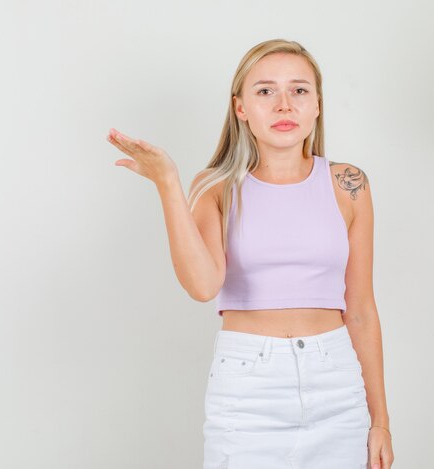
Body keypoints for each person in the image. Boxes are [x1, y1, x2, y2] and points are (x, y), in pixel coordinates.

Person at [107, 38, 394, 469]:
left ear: (317, 104)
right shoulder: (216, 187)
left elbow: (361, 311)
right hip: (248, 389)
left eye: (299, 90)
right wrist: (168, 182)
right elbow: (203, 286)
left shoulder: (349, 184)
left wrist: (380, 421)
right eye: (265, 91)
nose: (284, 105)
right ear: (240, 107)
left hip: (336, 382)